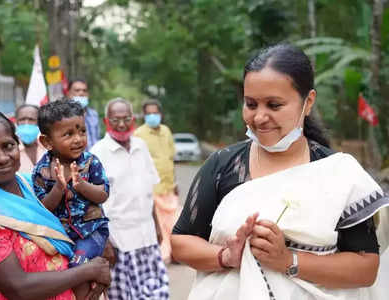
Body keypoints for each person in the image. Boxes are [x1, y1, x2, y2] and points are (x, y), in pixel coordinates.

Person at [171, 44, 389, 300]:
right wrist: (225, 257)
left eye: (274, 105)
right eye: (251, 104)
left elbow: (365, 269)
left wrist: (287, 259)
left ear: (308, 102)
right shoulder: (222, 165)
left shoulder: (339, 173)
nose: (259, 117)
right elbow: (181, 241)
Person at [0, 109, 111, 300]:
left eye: (8, 146)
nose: (2, 157)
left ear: (17, 144)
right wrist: (89, 271)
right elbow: (17, 287)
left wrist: (101, 242)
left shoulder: (33, 185)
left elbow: (83, 214)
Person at [91, 98, 170, 300]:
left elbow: (148, 191)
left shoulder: (141, 146)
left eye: (126, 118)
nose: (122, 124)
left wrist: (158, 227)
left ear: (133, 119)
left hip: (147, 238)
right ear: (106, 121)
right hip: (119, 242)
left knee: (157, 293)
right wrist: (105, 242)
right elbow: (93, 204)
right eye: (116, 119)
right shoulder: (98, 153)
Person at [32, 100, 110, 298]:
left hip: (91, 232)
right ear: (47, 142)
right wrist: (59, 188)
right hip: (61, 235)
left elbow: (103, 194)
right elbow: (43, 208)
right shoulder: (42, 170)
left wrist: (81, 186)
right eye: (68, 134)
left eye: (82, 131)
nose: (78, 139)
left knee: (77, 267)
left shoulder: (91, 162)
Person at [134, 99, 178, 263]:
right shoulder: (139, 134)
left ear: (161, 114)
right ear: (144, 115)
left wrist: (176, 183)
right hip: (152, 188)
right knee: (157, 224)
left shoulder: (166, 131)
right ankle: (163, 254)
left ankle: (175, 253)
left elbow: (171, 157)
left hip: (169, 186)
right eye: (149, 113)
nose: (153, 116)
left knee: (172, 223)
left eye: (155, 113)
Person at [68, 79, 100, 150]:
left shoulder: (94, 114)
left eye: (84, 90)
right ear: (69, 94)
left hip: (94, 158)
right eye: (77, 90)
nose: (81, 93)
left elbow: (97, 138)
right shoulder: (64, 115)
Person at [15, 104, 46, 173]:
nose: (26, 123)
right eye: (22, 119)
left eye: (31, 119)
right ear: (16, 122)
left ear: (39, 123)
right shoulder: (11, 149)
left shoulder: (47, 147)